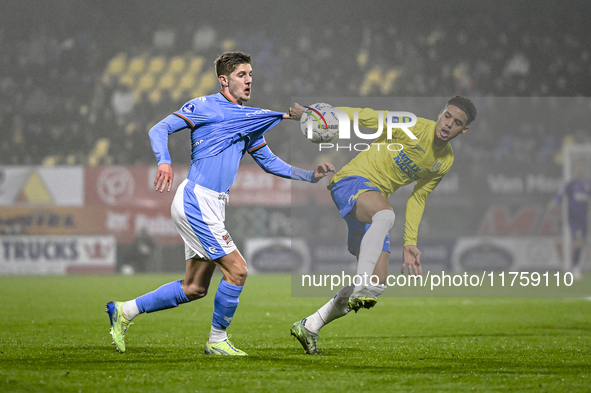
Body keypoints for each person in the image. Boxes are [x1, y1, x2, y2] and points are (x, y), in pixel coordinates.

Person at [106, 52, 335, 356]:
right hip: (197, 199)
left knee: (194, 287)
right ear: (224, 80)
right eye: (242, 74)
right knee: (238, 271)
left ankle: (124, 311)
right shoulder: (205, 106)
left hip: (213, 204)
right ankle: (217, 341)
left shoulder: (248, 119)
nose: (249, 79)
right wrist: (164, 162)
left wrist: (309, 176)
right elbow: (157, 129)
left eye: (251, 74)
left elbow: (268, 162)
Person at [289, 96, 477, 354]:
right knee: (386, 216)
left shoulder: (444, 161)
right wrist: (313, 115)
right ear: (440, 113)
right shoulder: (409, 124)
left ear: (463, 130)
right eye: (447, 117)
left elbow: (419, 197)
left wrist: (410, 243)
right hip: (352, 182)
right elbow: (365, 116)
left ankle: (309, 325)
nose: (448, 125)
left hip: (372, 205)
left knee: (376, 285)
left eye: (457, 123)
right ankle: (361, 283)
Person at [551, 161, 590, 279]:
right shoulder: (570, 184)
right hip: (574, 219)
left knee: (581, 243)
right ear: (574, 171)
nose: (579, 171)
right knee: (578, 241)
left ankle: (575, 267)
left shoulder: (587, 184)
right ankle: (575, 268)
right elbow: (560, 194)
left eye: (581, 169)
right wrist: (555, 202)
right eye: (577, 169)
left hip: (584, 218)